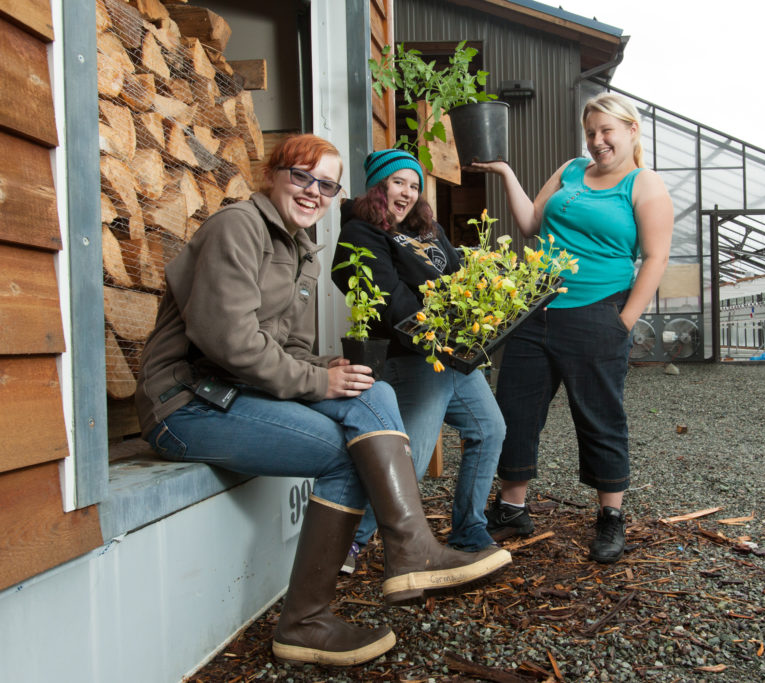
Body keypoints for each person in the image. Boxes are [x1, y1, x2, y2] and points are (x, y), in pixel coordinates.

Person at [134, 134, 511, 668]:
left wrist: (325, 368)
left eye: (326, 184)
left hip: (239, 392)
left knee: (372, 386)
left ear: (336, 193)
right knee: (346, 450)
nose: (314, 191)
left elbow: (285, 350)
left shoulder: (300, 247)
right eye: (302, 176)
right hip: (186, 405)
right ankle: (317, 611)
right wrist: (317, 383)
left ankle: (408, 551)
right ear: (272, 173)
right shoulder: (237, 227)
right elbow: (228, 341)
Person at [469, 92, 673, 564]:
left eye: (607, 131)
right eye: (591, 133)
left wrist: (622, 323)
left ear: (631, 131)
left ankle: (610, 516)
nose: (598, 141)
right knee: (515, 410)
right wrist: (505, 171)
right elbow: (529, 224)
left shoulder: (644, 185)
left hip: (597, 313)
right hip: (535, 309)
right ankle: (511, 506)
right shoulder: (570, 171)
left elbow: (656, 257)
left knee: (599, 416)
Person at [332, 148, 505, 560]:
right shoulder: (362, 233)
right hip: (413, 356)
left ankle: (469, 530)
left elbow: (457, 279)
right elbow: (394, 303)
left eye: (414, 184)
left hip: (451, 354)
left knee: (489, 430)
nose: (407, 192)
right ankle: (352, 540)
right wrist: (439, 329)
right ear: (379, 186)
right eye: (398, 182)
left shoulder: (427, 230)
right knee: (411, 455)